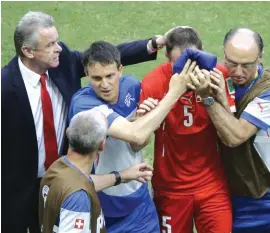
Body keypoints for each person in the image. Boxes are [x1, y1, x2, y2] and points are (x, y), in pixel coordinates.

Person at [1, 10, 166, 233]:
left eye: (56, 41)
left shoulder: (62, 60)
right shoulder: (4, 88)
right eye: (50, 44)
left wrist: (152, 44)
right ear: (28, 51)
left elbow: (102, 61)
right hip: (21, 191)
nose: (58, 47)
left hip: (68, 176)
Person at [68, 40, 196, 232]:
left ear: (120, 69)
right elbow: (135, 135)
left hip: (139, 202)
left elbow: (138, 143)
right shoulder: (83, 104)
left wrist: (142, 118)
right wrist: (174, 93)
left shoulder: (132, 87)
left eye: (110, 75)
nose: (105, 84)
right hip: (103, 208)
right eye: (96, 78)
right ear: (86, 74)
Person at [139, 27, 234, 233]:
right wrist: (143, 118)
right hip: (170, 191)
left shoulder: (219, 76)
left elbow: (232, 136)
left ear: (202, 51)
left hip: (211, 186)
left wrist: (220, 98)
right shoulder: (153, 83)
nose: (188, 72)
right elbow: (137, 143)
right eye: (179, 65)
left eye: (194, 62)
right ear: (166, 58)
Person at [188, 28, 270, 233]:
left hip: (261, 197)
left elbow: (236, 136)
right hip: (224, 192)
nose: (238, 72)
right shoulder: (220, 77)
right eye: (232, 63)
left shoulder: (266, 91)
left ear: (260, 58)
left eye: (247, 65)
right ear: (223, 54)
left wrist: (208, 99)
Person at [39, 109, 154, 233]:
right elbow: (79, 188)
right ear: (101, 146)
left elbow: (84, 181)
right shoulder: (78, 198)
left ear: (69, 133)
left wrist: (123, 175)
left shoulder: (57, 168)